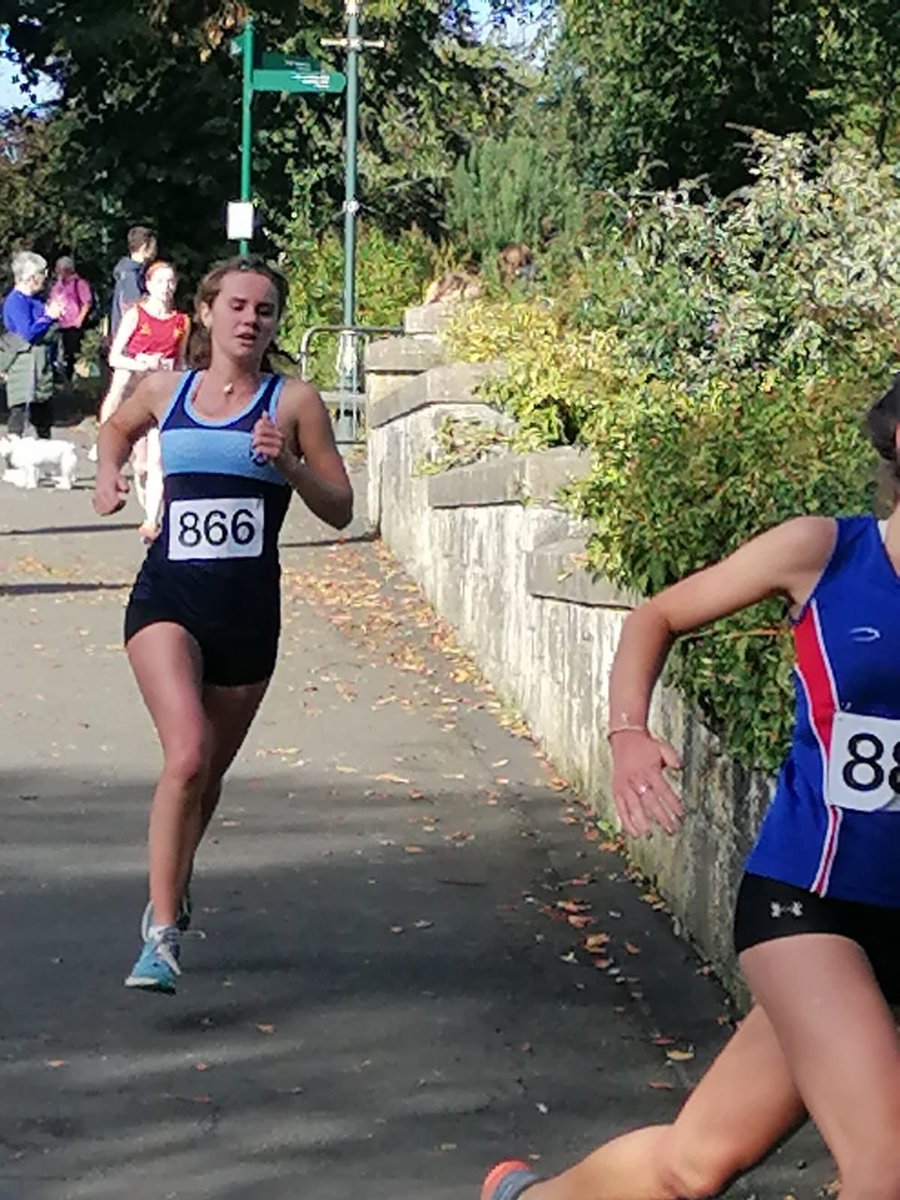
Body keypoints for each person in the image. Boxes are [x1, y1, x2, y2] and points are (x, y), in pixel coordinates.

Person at [482, 375, 900, 1200]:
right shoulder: (827, 550)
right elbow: (655, 617)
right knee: (888, 1170)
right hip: (810, 904)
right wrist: (628, 734)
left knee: (695, 1162)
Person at [92, 255, 353, 995]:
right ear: (205, 314)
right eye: (236, 305)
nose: (250, 319)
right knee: (185, 754)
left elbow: (341, 506)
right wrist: (109, 475)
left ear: (275, 324)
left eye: (264, 310)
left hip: (247, 614)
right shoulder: (164, 389)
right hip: (167, 600)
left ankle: (171, 884)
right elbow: (115, 431)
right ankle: (162, 934)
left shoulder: (293, 401)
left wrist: (290, 469)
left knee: (205, 777)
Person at [98, 260, 190, 541]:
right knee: (140, 466)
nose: (167, 288)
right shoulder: (135, 315)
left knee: (158, 461)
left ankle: (151, 521)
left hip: (164, 396)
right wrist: (142, 363)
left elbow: (182, 362)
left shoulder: (182, 322)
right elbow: (114, 357)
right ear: (149, 285)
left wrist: (180, 378)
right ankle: (104, 438)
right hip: (135, 394)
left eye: (171, 281)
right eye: (161, 282)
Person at [1, 251, 64, 438]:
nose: (46, 278)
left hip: (40, 367)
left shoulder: (36, 299)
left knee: (43, 416)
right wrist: (48, 317)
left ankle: (45, 462)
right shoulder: (15, 301)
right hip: (23, 366)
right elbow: (28, 333)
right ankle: (14, 464)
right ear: (31, 277)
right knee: (19, 414)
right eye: (42, 273)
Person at [48, 255, 93, 382]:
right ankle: (61, 378)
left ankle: (73, 379)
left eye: (59, 269)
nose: (57, 272)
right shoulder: (58, 285)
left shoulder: (79, 283)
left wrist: (79, 320)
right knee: (59, 353)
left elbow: (87, 303)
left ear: (66, 270)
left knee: (73, 354)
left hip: (73, 326)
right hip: (59, 324)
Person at [109, 225, 157, 338]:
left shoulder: (132, 271)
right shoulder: (130, 274)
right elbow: (134, 305)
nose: (155, 250)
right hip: (131, 337)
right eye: (153, 246)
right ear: (144, 246)